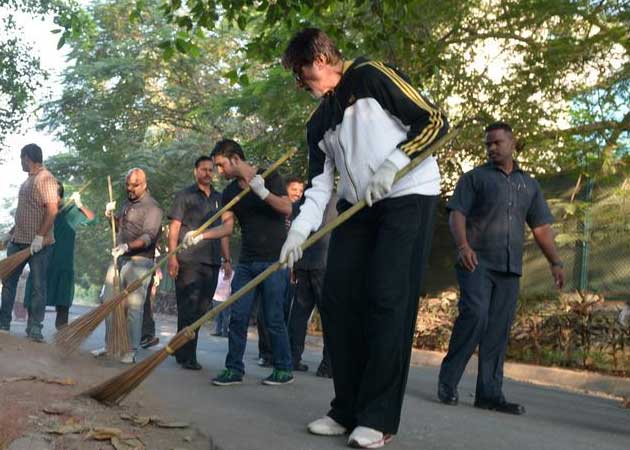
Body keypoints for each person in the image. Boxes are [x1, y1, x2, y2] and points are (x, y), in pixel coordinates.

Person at [280, 28, 448, 448]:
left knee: (388, 299)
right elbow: (320, 185)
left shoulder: (371, 76)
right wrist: (299, 232)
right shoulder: (319, 120)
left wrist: (394, 165)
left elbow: (434, 120)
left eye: (303, 77)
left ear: (320, 60)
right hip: (358, 206)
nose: (302, 87)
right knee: (338, 298)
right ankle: (347, 409)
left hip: (408, 196)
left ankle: (378, 417)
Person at [437, 122, 565, 415]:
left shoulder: (528, 184)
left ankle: (489, 394)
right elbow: (457, 214)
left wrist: (555, 262)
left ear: (512, 142)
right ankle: (448, 382)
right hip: (476, 262)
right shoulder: (474, 178)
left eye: (497, 143)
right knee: (475, 315)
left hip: (509, 268)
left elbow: (541, 227)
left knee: (497, 330)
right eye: (488, 144)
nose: (492, 148)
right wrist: (463, 246)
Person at [210, 139, 294, 386]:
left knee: (273, 317)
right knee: (238, 315)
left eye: (221, 165)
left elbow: (287, 208)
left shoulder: (270, 175)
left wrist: (264, 192)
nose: (219, 171)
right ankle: (234, 369)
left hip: (274, 260)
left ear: (235, 159)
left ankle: (283, 368)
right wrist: (199, 236)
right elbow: (226, 228)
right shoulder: (229, 193)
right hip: (246, 262)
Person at [167, 156, 233, 370]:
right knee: (188, 307)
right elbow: (174, 228)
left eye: (210, 169)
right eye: (203, 169)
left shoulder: (220, 198)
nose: (207, 173)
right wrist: (172, 257)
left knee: (203, 309)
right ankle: (188, 356)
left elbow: (223, 232)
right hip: (188, 260)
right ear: (195, 171)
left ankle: (179, 348)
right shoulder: (184, 196)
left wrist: (227, 259)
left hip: (212, 261)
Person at [97, 168, 163, 363]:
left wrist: (127, 246)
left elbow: (148, 237)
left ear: (144, 184)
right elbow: (118, 228)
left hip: (140, 261)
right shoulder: (127, 205)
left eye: (135, 185)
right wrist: (110, 217)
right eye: (128, 185)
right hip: (120, 259)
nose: (130, 188)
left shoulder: (153, 207)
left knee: (134, 308)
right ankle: (111, 345)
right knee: (109, 302)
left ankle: (130, 350)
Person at [0, 144, 58, 342]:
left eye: (21, 158)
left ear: (27, 158)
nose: (20, 162)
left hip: (39, 245)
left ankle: (34, 329)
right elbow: (24, 214)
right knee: (8, 283)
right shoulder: (27, 181)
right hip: (18, 241)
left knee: (38, 286)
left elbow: (52, 210)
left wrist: (40, 236)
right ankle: (3, 324)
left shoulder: (46, 178)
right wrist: (10, 234)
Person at [24, 181, 96, 329]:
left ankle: (62, 333)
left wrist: (80, 204)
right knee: (35, 293)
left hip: (62, 264)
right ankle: (33, 327)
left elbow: (92, 219)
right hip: (42, 261)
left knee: (62, 301)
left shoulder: (70, 212)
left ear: (60, 197)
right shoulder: (41, 210)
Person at [212, 266, 234, 337]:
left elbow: (232, 285)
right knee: (217, 316)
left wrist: (230, 295)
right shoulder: (218, 272)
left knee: (226, 317)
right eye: (221, 262)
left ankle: (225, 332)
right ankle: (217, 331)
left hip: (226, 298)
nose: (222, 264)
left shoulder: (232, 273)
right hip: (216, 296)